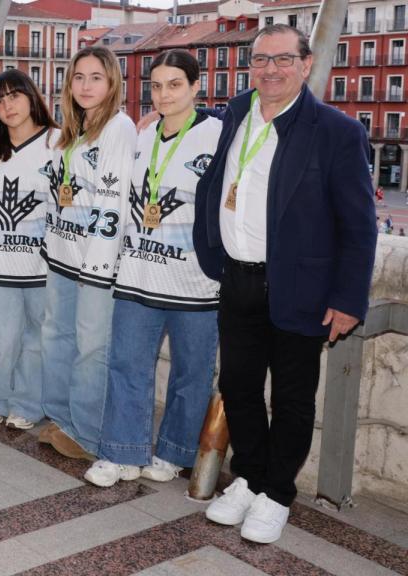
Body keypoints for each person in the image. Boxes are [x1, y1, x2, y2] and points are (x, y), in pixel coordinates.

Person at [193, 25, 377, 544]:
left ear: (305, 63)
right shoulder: (235, 112)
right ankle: (250, 478)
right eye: (260, 60)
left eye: (282, 60)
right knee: (239, 387)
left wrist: (348, 299)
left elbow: (359, 227)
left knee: (293, 399)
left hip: (304, 290)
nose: (270, 70)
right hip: (239, 280)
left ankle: (277, 495)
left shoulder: (337, 132)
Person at [83, 50, 221, 487]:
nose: (163, 95)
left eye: (175, 84)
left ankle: (173, 452)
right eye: (156, 86)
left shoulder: (219, 134)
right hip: (137, 276)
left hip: (195, 282)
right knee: (126, 365)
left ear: (196, 86)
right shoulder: (141, 136)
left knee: (192, 373)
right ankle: (120, 452)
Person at [39, 46, 137, 459]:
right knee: (57, 338)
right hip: (61, 254)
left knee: (92, 346)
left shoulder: (118, 127)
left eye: (96, 77)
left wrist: (97, 265)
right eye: (79, 77)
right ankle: (61, 418)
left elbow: (112, 202)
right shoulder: (70, 131)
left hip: (95, 264)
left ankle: (87, 433)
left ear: (112, 82)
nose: (85, 85)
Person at [0, 70, 56, 429]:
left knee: (37, 340)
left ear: (31, 97)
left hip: (42, 266)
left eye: (14, 96)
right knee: (0, 339)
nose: (8, 106)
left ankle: (27, 405)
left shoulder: (58, 142)